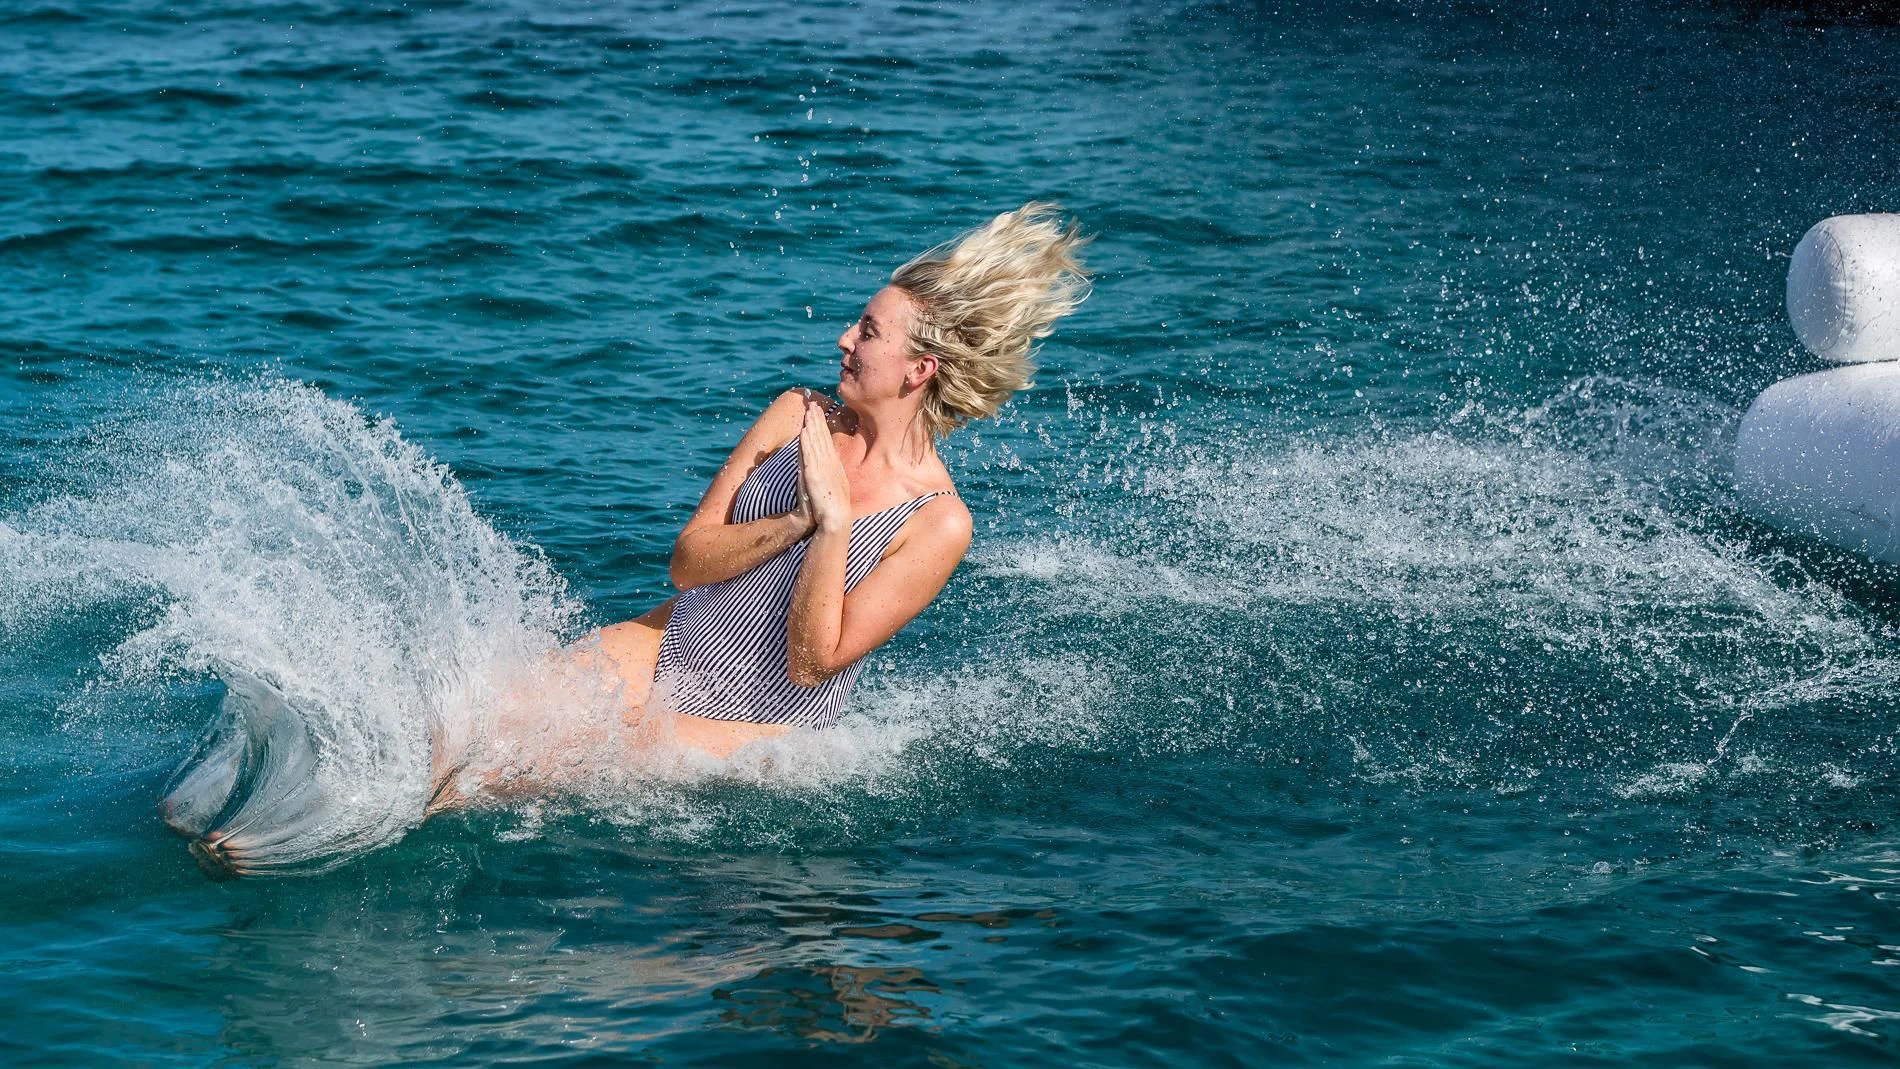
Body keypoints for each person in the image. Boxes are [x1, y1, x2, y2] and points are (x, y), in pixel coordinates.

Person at [174, 201, 1091, 876]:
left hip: (752, 721)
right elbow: (688, 561)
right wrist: (796, 515)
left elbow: (814, 664)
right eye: (857, 322)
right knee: (463, 724)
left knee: (497, 777)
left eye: (870, 331)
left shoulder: (938, 522)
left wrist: (836, 523)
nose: (845, 338)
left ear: (920, 368)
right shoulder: (795, 413)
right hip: (662, 645)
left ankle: (273, 848)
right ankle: (260, 786)